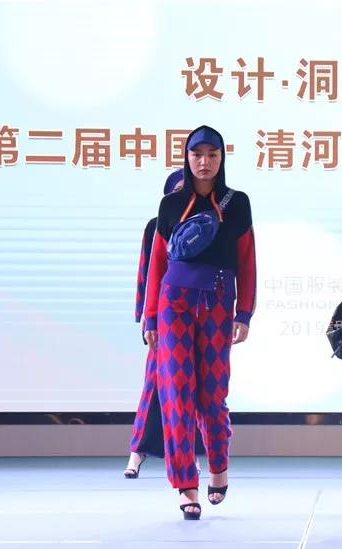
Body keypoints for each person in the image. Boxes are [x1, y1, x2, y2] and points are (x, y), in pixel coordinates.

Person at [142, 125, 256, 520]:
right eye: (196, 154)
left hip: (218, 303)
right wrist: (150, 316)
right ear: (186, 157)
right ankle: (185, 484)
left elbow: (247, 260)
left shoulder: (237, 202)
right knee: (176, 393)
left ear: (222, 158)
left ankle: (218, 467)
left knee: (212, 393)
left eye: (212, 154)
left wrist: (245, 312)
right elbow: (158, 263)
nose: (204, 162)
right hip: (172, 303)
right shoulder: (170, 205)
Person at [124, 169, 204, 479]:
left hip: (197, 314)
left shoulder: (207, 223)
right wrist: (146, 315)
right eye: (177, 189)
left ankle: (191, 454)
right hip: (163, 313)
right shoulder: (156, 225)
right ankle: (137, 453)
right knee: (155, 382)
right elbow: (148, 270)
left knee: (193, 386)